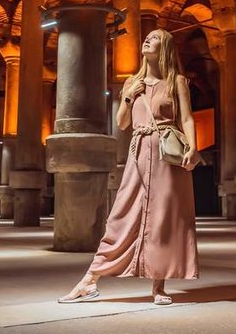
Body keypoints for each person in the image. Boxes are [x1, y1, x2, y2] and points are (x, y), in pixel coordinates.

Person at [58, 29, 200, 306]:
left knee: (163, 220)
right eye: (146, 37)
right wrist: (127, 96)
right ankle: (89, 280)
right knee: (121, 216)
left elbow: (188, 118)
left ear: (166, 48)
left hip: (166, 157)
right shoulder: (132, 82)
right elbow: (122, 123)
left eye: (155, 37)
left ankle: (158, 286)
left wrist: (194, 147)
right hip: (138, 155)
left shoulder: (177, 82)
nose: (147, 39)